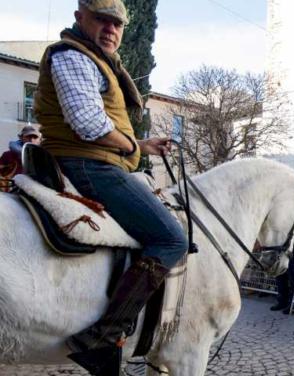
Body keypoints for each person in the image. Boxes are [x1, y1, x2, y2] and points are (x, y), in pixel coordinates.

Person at [32, 1, 189, 370]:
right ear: (79, 18)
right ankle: (102, 335)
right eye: (102, 20)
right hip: (89, 166)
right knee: (172, 239)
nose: (111, 30)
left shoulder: (96, 60)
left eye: (117, 24)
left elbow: (104, 126)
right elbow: (88, 124)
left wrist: (144, 146)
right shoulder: (73, 56)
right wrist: (134, 145)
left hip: (99, 161)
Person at [0, 125, 42, 191]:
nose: (31, 139)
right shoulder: (8, 155)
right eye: (28, 136)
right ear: (21, 137)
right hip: (10, 194)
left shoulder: (44, 158)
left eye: (35, 137)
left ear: (40, 140)